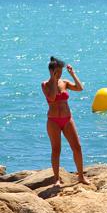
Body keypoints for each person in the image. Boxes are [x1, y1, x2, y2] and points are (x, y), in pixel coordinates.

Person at [41, 56, 89, 185]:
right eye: (58, 71)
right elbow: (51, 98)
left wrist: (72, 74)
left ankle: (81, 177)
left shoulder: (65, 82)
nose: (60, 73)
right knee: (56, 149)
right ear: (51, 71)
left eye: (61, 71)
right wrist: (53, 79)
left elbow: (80, 88)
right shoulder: (45, 84)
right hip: (53, 121)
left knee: (77, 147)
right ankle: (56, 179)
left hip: (67, 119)